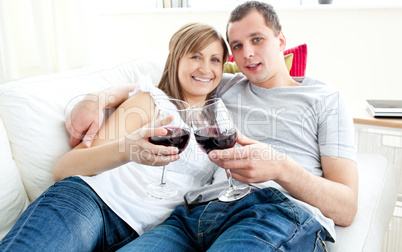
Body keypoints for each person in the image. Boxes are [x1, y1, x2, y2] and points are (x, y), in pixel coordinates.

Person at [65, 1, 358, 251]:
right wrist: (96, 98)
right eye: (238, 46)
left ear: (281, 41)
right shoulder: (224, 85)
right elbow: (164, 89)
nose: (247, 55)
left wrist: (281, 168)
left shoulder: (326, 100)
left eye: (257, 40)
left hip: (273, 210)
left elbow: (346, 207)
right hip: (192, 214)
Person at [0, 22, 230, 251]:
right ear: (176, 59)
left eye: (215, 59)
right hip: (93, 202)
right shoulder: (151, 101)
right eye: (195, 57)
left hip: (146, 234)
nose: (205, 68)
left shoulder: (219, 121)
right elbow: (64, 168)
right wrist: (128, 150)